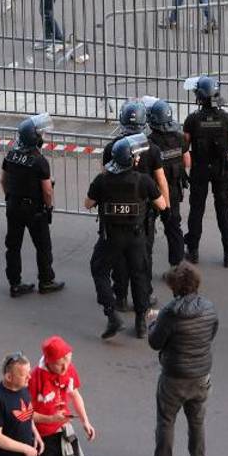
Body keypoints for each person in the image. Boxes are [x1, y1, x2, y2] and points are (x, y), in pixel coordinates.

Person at [85, 133, 167, 339]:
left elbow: (88, 203)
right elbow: (162, 204)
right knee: (139, 274)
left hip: (110, 236)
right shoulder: (143, 181)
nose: (138, 158)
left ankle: (112, 314)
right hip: (136, 236)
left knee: (99, 269)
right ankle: (140, 322)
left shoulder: (102, 180)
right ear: (130, 159)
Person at [144, 262, 217, 456]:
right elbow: (212, 332)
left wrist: (152, 323)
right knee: (197, 421)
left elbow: (156, 342)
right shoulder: (209, 308)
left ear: (176, 288)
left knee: (166, 421)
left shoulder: (170, 313)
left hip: (174, 376)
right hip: (201, 373)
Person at [100, 101, 168, 313]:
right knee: (143, 257)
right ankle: (145, 295)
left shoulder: (112, 148)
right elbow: (161, 179)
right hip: (143, 212)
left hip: (115, 214)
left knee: (118, 258)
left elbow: (104, 177)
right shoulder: (152, 149)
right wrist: (165, 207)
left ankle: (120, 296)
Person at [182, 76, 228, 267]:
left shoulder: (192, 120)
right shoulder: (226, 119)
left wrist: (189, 169)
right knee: (223, 210)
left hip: (199, 169)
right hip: (221, 170)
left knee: (196, 209)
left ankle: (192, 252)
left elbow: (184, 147)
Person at [1, 114, 64, 297]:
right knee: (43, 246)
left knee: (13, 246)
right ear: (35, 138)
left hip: (13, 206)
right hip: (33, 209)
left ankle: (15, 284)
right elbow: (47, 191)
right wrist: (48, 207)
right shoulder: (39, 161)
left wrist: (10, 198)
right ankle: (46, 281)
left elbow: (3, 180)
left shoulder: (11, 154)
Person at [29, 335, 95, 456]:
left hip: (65, 434)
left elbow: (74, 394)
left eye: (68, 360)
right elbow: (25, 414)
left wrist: (85, 421)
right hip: (42, 438)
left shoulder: (69, 370)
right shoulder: (34, 378)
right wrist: (50, 418)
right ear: (49, 361)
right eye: (60, 363)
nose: (65, 367)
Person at [145, 98, 188, 267]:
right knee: (173, 225)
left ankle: (144, 266)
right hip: (174, 188)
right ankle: (177, 266)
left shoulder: (148, 141)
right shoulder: (179, 138)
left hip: (153, 190)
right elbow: (187, 161)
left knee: (148, 227)